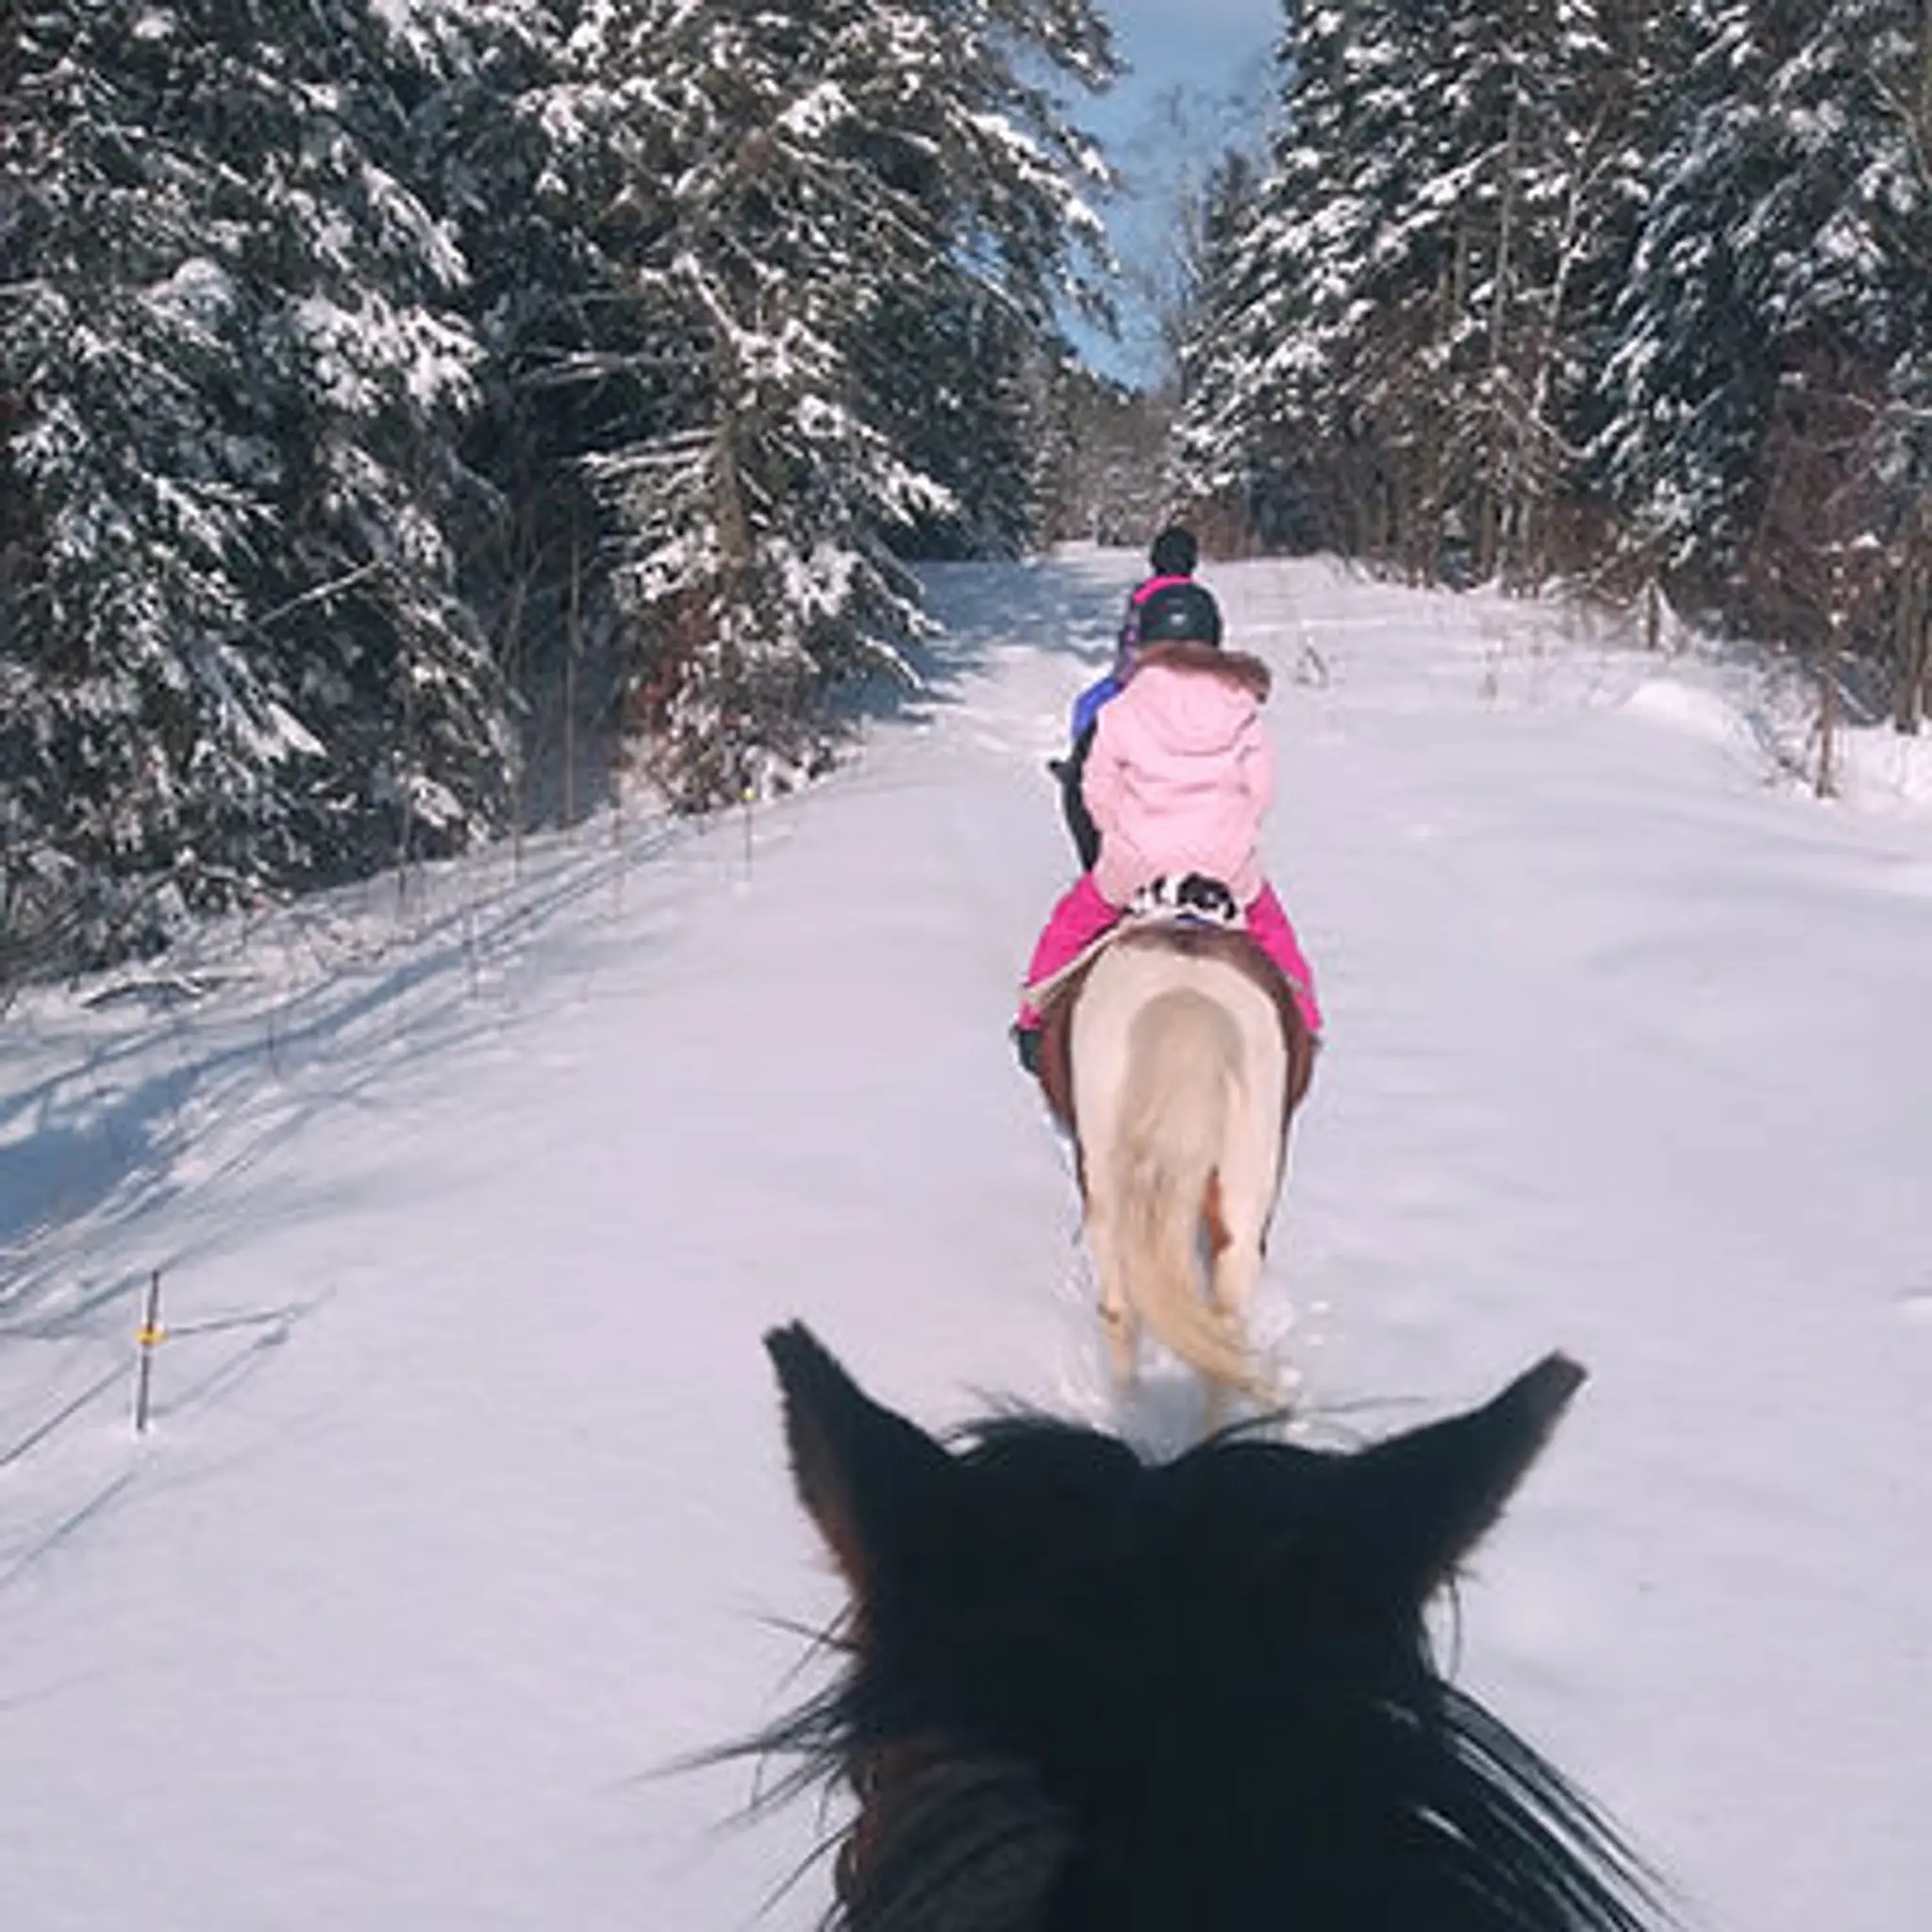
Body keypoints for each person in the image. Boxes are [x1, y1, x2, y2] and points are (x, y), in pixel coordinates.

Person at [1015, 579, 1323, 1073]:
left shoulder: (1121, 707)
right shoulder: (1243, 710)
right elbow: (1260, 791)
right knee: (1272, 931)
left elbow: (1096, 789)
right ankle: (1305, 1021)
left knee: (1072, 922)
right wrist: (1228, 830)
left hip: (1137, 861)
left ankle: (1032, 1016)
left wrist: (1121, 834)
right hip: (1225, 865)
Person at [1056, 525, 1202, 867]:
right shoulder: (1199, 597)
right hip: (1191, 685)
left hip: (1135, 681)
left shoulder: (1143, 595)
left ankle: (1078, 765)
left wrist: (1125, 679)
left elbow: (1130, 645)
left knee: (1087, 707)